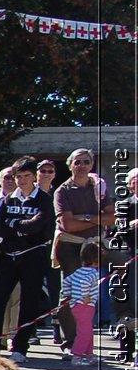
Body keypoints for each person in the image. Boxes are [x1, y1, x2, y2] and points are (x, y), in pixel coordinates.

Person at [0, 157, 55, 365]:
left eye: (26, 176)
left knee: (28, 302)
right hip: (9, 257)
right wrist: (22, 227)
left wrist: (14, 225)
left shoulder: (43, 199)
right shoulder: (9, 199)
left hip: (33, 256)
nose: (22, 180)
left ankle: (20, 347)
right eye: (18, 177)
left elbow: (41, 227)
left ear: (34, 177)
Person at [53, 148, 114, 358]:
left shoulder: (99, 188)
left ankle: (85, 344)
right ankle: (71, 342)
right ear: (70, 165)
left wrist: (85, 217)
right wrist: (97, 217)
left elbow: (112, 218)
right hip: (70, 247)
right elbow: (67, 224)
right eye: (77, 162)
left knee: (91, 296)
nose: (82, 166)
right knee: (71, 295)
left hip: (95, 248)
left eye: (86, 162)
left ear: (92, 165)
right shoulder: (62, 191)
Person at [61, 243, 103, 366]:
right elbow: (85, 283)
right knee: (84, 332)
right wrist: (85, 296)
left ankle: (89, 354)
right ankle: (77, 355)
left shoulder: (78, 271)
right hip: (85, 306)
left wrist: (68, 294)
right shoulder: (93, 273)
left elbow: (66, 281)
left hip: (76, 305)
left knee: (88, 330)